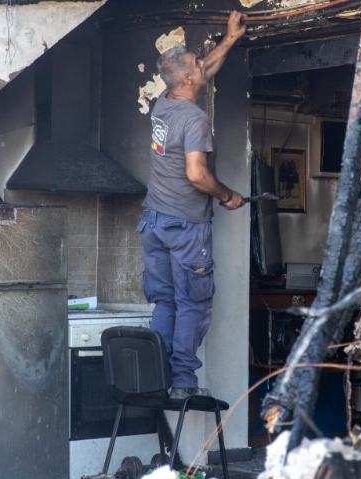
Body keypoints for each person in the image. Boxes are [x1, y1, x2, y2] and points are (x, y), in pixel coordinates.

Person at [138, 12, 246, 399]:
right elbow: (197, 175)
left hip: (153, 222)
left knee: (165, 303)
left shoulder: (165, 104)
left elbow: (202, 71)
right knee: (193, 306)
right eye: (197, 66)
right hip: (185, 225)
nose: (203, 67)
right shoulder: (195, 118)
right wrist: (228, 195)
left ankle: (155, 378)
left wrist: (230, 40)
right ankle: (183, 383)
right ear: (187, 80)